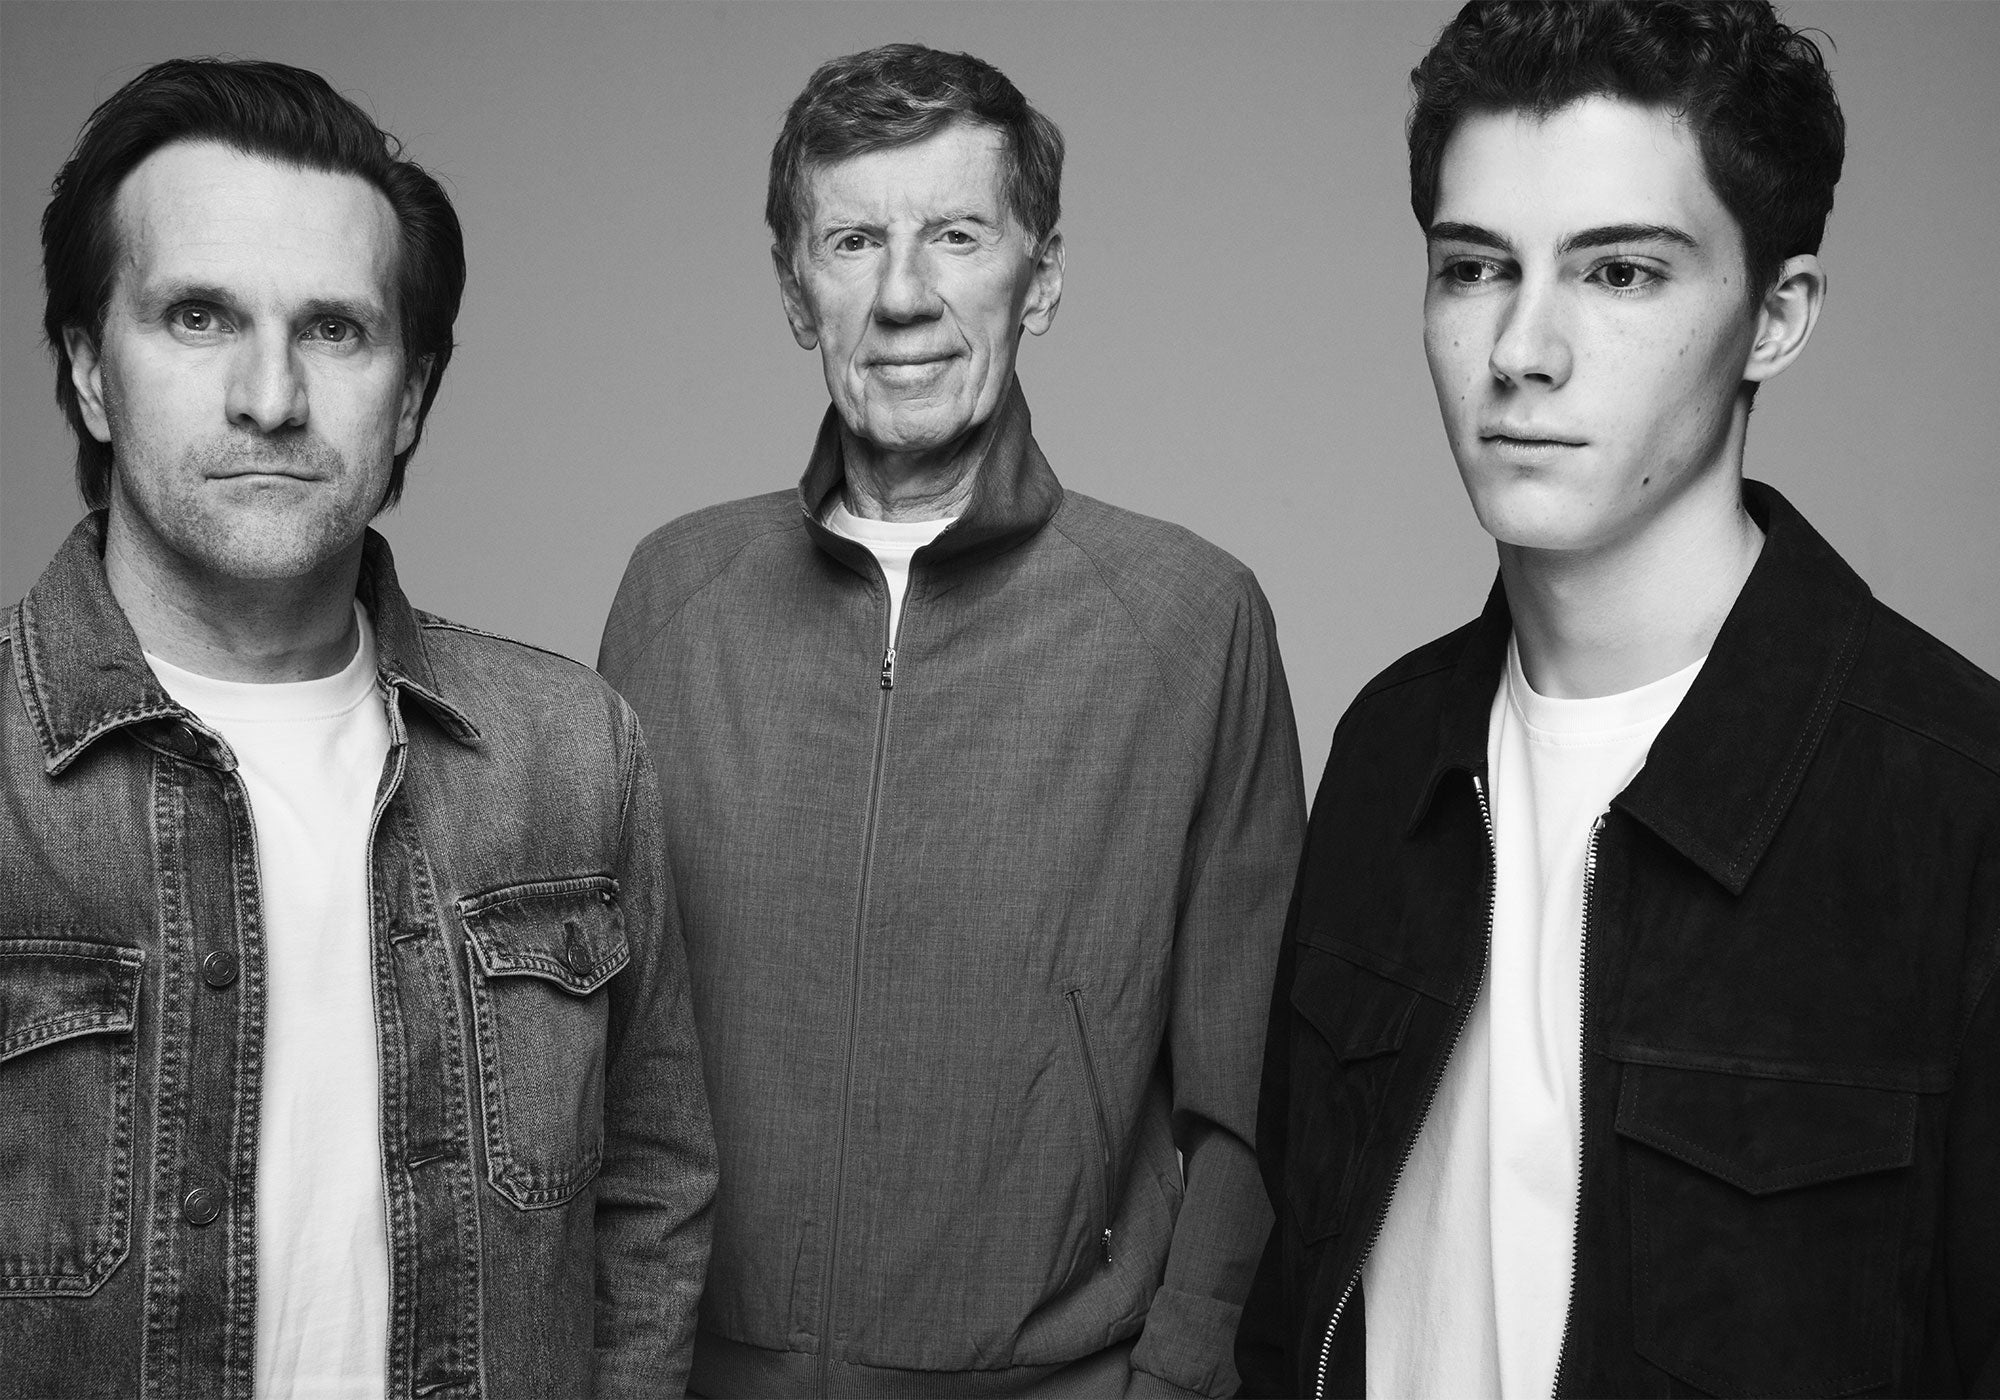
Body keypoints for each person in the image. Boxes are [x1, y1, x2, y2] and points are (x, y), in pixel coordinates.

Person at [1238, 2, 2000, 1395]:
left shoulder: (1958, 809)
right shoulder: (1388, 749)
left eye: (1622, 276)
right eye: (1474, 269)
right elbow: (1290, 1298)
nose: (1522, 348)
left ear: (1778, 317)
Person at [599, 42, 1305, 1399]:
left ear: (1038, 276)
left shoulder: (1189, 617)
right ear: (795, 289)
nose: (905, 294)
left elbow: (1254, 1094)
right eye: (854, 240)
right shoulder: (675, 591)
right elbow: (589, 1047)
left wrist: (1174, 1381)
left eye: (956, 235)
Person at [1, 58, 714, 1398]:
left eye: (334, 330)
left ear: (413, 396)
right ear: (91, 371)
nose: (270, 397)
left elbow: (653, 1194)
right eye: (199, 316)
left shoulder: (571, 753)